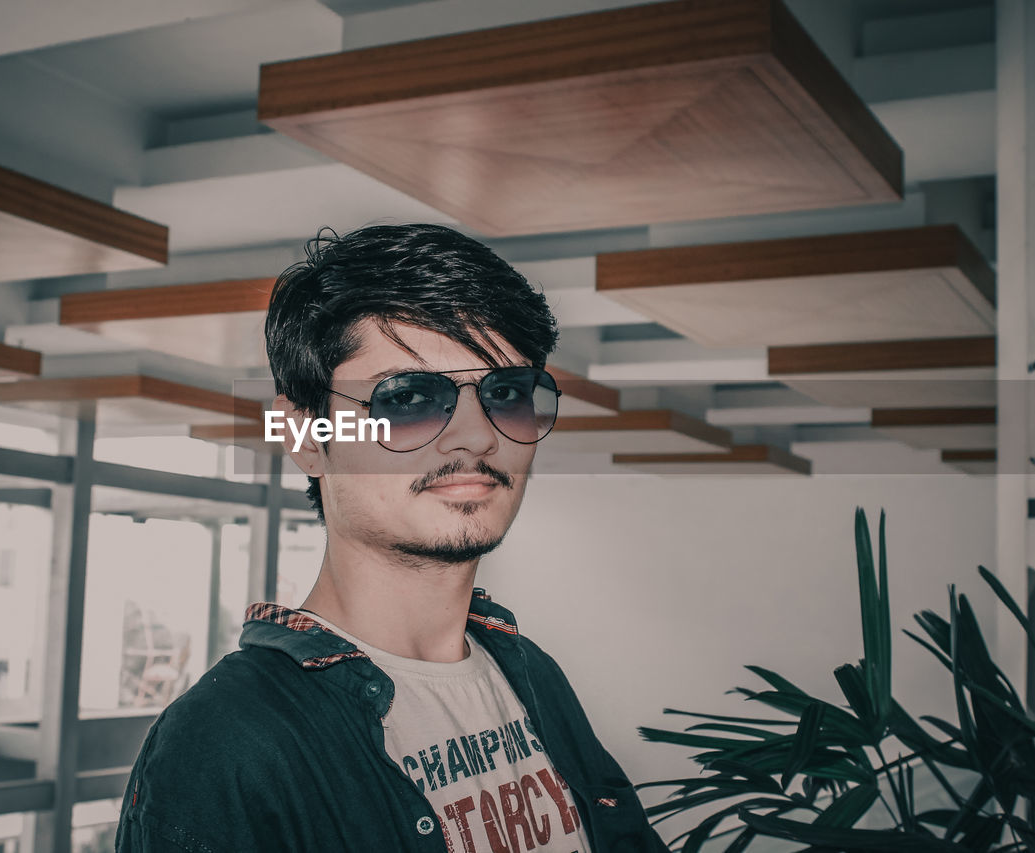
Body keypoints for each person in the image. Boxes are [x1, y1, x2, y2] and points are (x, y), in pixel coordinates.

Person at [114, 224, 669, 852]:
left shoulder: (531, 674)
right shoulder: (229, 739)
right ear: (304, 439)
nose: (477, 437)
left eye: (507, 394)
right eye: (407, 398)